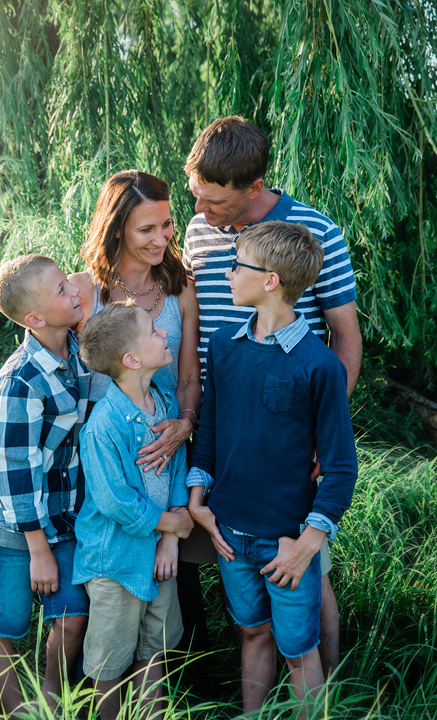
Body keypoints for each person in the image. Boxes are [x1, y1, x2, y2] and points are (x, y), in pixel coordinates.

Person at [182, 115, 362, 672]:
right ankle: (228, 679)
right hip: (221, 428)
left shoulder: (314, 231)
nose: (201, 214)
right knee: (234, 567)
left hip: (286, 430)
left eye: (214, 202)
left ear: (254, 188)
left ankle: (324, 691)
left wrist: (317, 433)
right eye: (196, 197)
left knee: (307, 574)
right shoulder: (197, 231)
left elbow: (346, 337)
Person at [68, 170, 208, 652]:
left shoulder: (180, 286)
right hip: (109, 454)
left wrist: (183, 425)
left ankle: (171, 690)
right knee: (113, 591)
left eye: (167, 225)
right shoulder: (85, 291)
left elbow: (189, 374)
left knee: (172, 606)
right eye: (146, 229)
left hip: (167, 450)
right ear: (117, 228)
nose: (162, 238)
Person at [0, 254, 91, 717]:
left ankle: (53, 701)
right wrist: (37, 547)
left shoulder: (76, 347)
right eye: (61, 291)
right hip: (14, 525)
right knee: (4, 624)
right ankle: (21, 713)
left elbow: (85, 280)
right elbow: (12, 470)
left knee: (72, 616)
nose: (74, 292)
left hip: (64, 516)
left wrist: (66, 286)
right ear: (35, 319)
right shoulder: (18, 381)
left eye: (67, 283)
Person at [74, 301, 194, 720]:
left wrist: (170, 539)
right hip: (115, 561)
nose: (165, 334)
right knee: (110, 663)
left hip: (158, 558)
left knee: (154, 651)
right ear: (132, 359)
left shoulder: (163, 402)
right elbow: (114, 501)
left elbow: (177, 465)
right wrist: (172, 523)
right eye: (154, 331)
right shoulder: (104, 425)